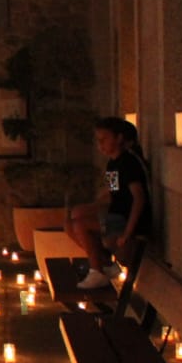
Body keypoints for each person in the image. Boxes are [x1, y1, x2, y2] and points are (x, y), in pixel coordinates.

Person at [69, 118, 154, 290]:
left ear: (119, 138)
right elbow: (111, 193)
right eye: (98, 140)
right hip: (116, 215)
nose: (100, 145)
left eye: (104, 139)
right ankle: (106, 264)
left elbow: (139, 198)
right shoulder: (112, 163)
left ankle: (97, 271)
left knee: (80, 224)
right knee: (71, 221)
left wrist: (127, 233)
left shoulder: (129, 163)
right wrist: (89, 208)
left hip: (127, 220)